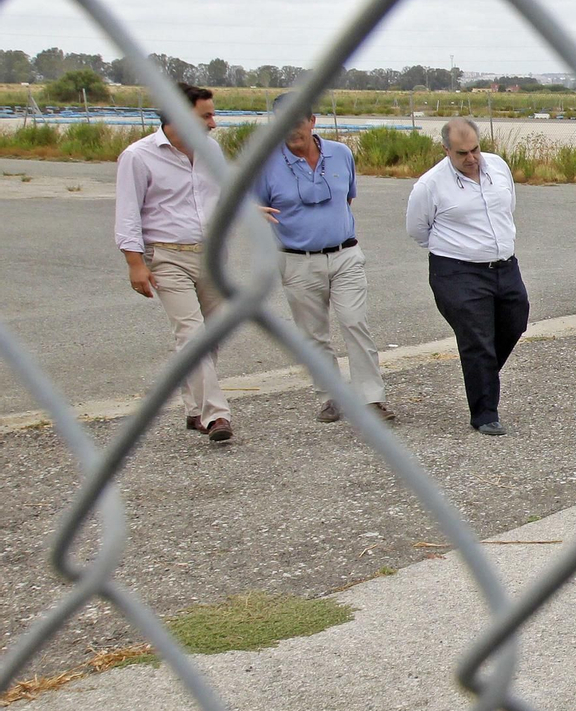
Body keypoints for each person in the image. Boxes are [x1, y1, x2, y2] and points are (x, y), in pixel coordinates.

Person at [254, 93, 394, 424]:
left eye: (298, 122)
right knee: (313, 335)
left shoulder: (341, 154)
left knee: (354, 322)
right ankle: (331, 396)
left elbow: (347, 199)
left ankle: (371, 399)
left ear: (312, 121)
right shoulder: (265, 164)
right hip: (297, 260)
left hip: (345, 255)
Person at [114, 82, 233, 442]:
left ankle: (194, 409)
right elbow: (128, 213)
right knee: (191, 334)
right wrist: (135, 263)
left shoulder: (212, 151)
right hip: (167, 256)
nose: (213, 123)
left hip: (212, 256)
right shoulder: (138, 156)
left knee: (210, 336)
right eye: (205, 116)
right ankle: (216, 415)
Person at [405, 118, 528, 436]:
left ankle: (481, 375)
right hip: (457, 271)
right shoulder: (430, 185)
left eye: (475, 149)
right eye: (462, 153)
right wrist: (458, 248)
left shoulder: (498, 167)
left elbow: (508, 207)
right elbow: (417, 230)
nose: (472, 158)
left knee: (515, 321)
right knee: (477, 338)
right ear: (446, 150)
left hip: (504, 266)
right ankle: (485, 414)